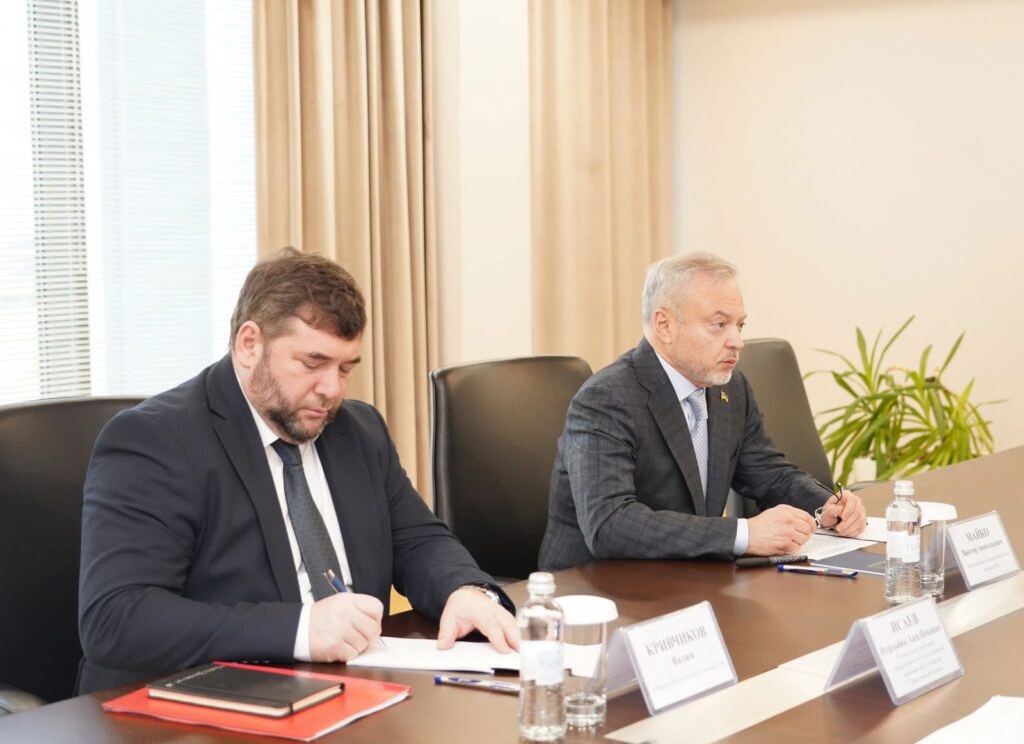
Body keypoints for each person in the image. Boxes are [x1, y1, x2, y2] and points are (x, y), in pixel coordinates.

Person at [79, 248, 516, 693]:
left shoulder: (357, 430)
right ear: (250, 344)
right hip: (198, 706)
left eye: (345, 369)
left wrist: (465, 591)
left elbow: (418, 540)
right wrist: (301, 630)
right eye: (312, 363)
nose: (332, 389)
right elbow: (117, 617)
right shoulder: (156, 440)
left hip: (350, 692)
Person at [539, 251, 867, 571]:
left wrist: (825, 504)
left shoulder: (730, 387)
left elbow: (768, 473)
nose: (737, 341)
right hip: (596, 586)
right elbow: (610, 523)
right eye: (719, 324)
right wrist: (744, 534)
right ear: (664, 325)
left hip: (688, 576)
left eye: (739, 325)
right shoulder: (607, 398)